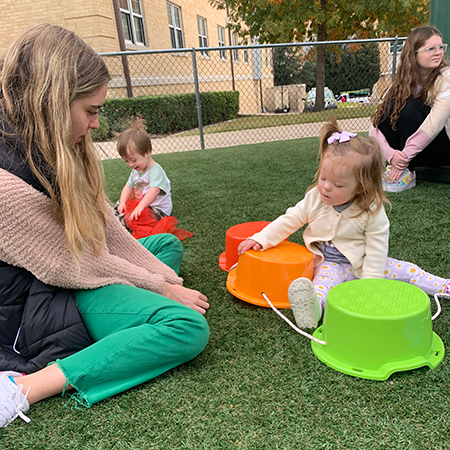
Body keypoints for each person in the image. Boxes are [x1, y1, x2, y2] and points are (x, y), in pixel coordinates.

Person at [0, 24, 209, 428]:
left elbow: (106, 232)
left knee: (165, 246)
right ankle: (22, 388)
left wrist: (163, 281)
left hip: (71, 270)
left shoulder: (49, 144)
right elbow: (72, 264)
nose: (96, 124)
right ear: (53, 103)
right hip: (42, 299)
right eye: (90, 111)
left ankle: (126, 317)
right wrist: (161, 290)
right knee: (186, 327)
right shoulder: (5, 186)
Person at [238, 120, 450, 329]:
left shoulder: (371, 209)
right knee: (320, 288)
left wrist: (370, 284)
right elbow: (291, 218)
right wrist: (261, 238)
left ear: (361, 188)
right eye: (323, 178)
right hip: (328, 264)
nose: (326, 187)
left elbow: (377, 248)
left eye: (338, 184)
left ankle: (444, 286)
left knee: (409, 270)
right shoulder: (316, 198)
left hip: (363, 264)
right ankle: (313, 311)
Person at [371, 25, 450, 192]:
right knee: (390, 106)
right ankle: (398, 168)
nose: (438, 52)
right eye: (430, 48)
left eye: (440, 47)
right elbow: (375, 127)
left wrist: (404, 158)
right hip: (412, 153)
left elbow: (434, 124)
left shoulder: (446, 77)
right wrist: (391, 155)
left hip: (442, 149)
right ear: (414, 54)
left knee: (410, 106)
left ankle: (406, 171)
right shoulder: (401, 82)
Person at [117, 119, 172, 221]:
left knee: (138, 218)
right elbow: (128, 187)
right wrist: (123, 202)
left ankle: (121, 221)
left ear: (147, 153)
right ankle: (117, 216)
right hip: (141, 204)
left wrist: (140, 207)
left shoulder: (155, 171)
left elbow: (154, 191)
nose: (130, 164)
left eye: (133, 160)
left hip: (158, 209)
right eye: (126, 161)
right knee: (118, 205)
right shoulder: (136, 171)